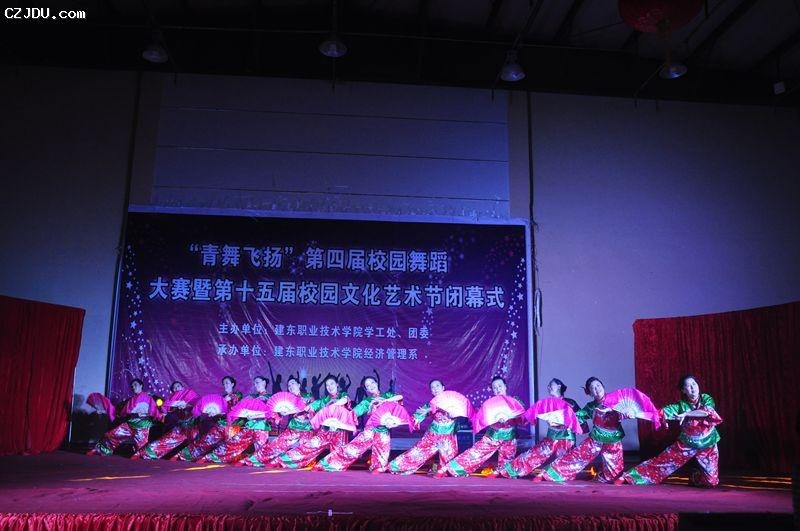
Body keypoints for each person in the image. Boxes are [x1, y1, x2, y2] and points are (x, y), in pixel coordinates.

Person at [619, 375, 722, 487]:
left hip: (708, 444)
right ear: (683, 390)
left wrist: (686, 414)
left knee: (711, 482)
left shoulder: (706, 398)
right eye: (688, 386)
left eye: (694, 384)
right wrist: (636, 414)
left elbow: (707, 412)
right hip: (686, 444)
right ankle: (630, 476)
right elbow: (657, 414)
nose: (693, 388)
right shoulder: (679, 406)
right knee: (661, 463)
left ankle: (695, 476)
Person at [539, 376, 626, 483]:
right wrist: (558, 421)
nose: (597, 389)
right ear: (590, 393)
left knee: (614, 474)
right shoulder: (590, 406)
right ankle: (551, 472)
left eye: (598, 385)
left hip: (614, 438)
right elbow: (577, 417)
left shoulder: (615, 401)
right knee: (577, 455)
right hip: (596, 438)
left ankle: (606, 475)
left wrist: (619, 413)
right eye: (593, 388)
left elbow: (626, 411)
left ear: (603, 386)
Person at [434, 376, 520, 478]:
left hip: (509, 437)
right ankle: (447, 468)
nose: (498, 389)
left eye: (500, 386)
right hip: (493, 436)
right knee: (475, 453)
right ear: (492, 390)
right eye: (495, 387)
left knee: (508, 462)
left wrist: (509, 417)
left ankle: (500, 471)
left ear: (505, 386)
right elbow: (479, 417)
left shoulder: (515, 401)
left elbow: (522, 415)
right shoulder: (489, 404)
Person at [314, 376, 402, 473]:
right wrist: (338, 418)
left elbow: (400, 397)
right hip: (370, 431)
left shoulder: (388, 395)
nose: (371, 386)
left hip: (384, 432)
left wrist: (385, 401)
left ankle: (378, 467)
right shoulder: (367, 401)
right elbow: (354, 413)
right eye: (367, 386)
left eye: (372, 383)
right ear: (366, 389)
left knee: (381, 465)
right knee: (351, 450)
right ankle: (327, 464)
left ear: (376, 383)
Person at [499, 377, 580, 479]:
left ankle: (549, 474)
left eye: (551, 385)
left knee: (564, 462)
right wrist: (515, 416)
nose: (548, 387)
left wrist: (563, 422)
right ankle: (511, 470)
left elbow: (580, 418)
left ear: (559, 386)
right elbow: (530, 415)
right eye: (548, 386)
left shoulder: (570, 403)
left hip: (566, 438)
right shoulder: (546, 404)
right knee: (534, 454)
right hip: (551, 437)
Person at [276, 376, 350, 469]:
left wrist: (332, 405)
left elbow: (345, 400)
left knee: (337, 458)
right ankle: (288, 460)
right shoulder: (323, 400)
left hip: (340, 431)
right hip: (325, 431)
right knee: (310, 445)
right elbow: (306, 407)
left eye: (332, 384)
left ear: (337, 384)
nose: (329, 387)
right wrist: (287, 412)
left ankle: (330, 465)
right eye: (327, 385)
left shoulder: (343, 395)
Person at [389, 379, 458, 475]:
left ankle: (440, 469)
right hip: (433, 434)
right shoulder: (430, 404)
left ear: (443, 388)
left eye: (437, 386)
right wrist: (399, 423)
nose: (435, 389)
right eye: (432, 387)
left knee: (451, 469)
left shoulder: (452, 401)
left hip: (448, 435)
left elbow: (453, 411)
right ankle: (394, 466)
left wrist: (431, 409)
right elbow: (416, 417)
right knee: (417, 453)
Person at [242, 376, 314, 467]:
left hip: (307, 429)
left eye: (293, 383)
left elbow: (309, 408)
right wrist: (279, 415)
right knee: (276, 444)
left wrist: (290, 411)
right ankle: (255, 460)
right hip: (294, 427)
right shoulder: (287, 399)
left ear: (299, 385)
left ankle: (287, 462)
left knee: (306, 450)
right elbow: (274, 413)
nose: (291, 386)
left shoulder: (307, 396)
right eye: (289, 385)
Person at [197, 375, 271, 464]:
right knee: (233, 443)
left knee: (262, 451)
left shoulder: (269, 397)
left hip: (261, 427)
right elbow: (239, 407)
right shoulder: (251, 396)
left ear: (264, 382)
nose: (255, 385)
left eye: (257, 382)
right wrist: (216, 411)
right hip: (248, 425)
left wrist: (255, 416)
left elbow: (271, 413)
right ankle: (211, 456)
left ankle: (256, 460)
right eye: (254, 383)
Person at [175, 375, 242, 462]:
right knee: (207, 439)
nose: (225, 385)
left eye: (227, 383)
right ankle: (187, 454)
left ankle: (222, 457)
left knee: (227, 442)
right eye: (224, 383)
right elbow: (221, 410)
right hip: (221, 423)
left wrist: (225, 400)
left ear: (232, 384)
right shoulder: (222, 397)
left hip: (233, 424)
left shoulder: (237, 394)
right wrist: (214, 413)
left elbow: (234, 407)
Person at [88, 379, 160, 456]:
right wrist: (105, 409)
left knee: (142, 448)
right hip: (130, 423)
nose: (133, 387)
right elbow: (122, 412)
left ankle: (145, 455)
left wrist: (151, 416)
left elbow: (154, 412)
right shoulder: (131, 400)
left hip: (142, 424)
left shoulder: (148, 398)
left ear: (141, 385)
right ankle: (101, 450)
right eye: (132, 386)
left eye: (135, 385)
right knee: (113, 435)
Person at [133, 380, 197, 460]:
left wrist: (186, 405)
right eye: (174, 388)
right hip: (178, 428)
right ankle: (144, 454)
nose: (176, 388)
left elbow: (197, 406)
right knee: (164, 442)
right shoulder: (170, 401)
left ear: (182, 387)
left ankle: (188, 456)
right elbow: (164, 411)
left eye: (178, 386)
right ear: (172, 391)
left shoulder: (190, 394)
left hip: (192, 426)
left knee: (196, 443)